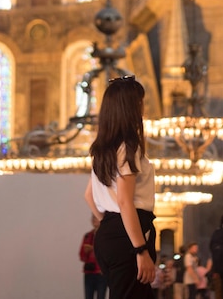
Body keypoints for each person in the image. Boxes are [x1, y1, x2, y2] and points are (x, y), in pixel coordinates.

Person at [84, 75, 156, 298]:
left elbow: (88, 196)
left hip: (108, 235)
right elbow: (125, 202)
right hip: (128, 236)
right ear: (131, 107)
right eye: (140, 101)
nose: (143, 107)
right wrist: (140, 249)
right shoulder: (129, 146)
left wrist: (109, 224)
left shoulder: (102, 149)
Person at [79, 214, 108, 299]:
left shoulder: (106, 236)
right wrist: (86, 252)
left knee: (101, 296)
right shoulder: (87, 236)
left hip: (101, 273)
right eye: (93, 218)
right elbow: (82, 256)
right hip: (89, 273)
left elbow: (107, 254)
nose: (95, 220)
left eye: (97, 218)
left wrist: (93, 249)